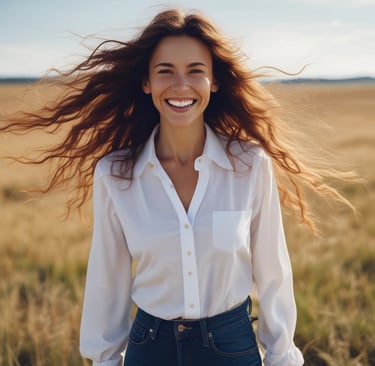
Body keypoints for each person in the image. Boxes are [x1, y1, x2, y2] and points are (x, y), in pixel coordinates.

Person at [0, 7, 357, 366]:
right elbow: (106, 283)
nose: (181, 85)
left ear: (214, 82)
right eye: (165, 72)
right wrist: (106, 359)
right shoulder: (115, 174)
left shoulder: (250, 165)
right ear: (147, 82)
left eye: (195, 72)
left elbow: (273, 273)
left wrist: (281, 357)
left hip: (231, 347)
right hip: (149, 348)